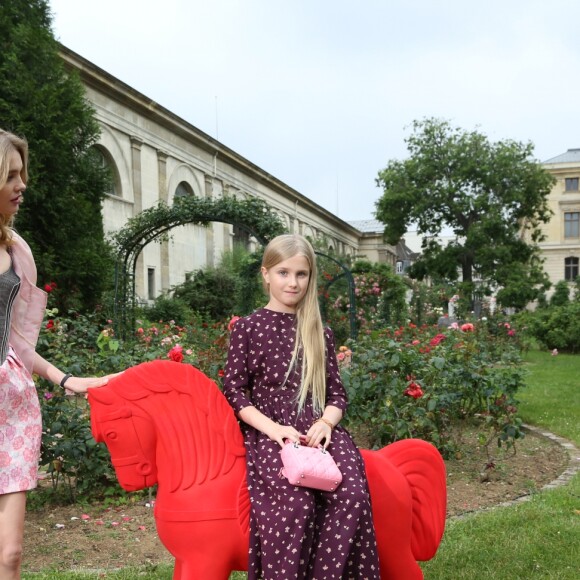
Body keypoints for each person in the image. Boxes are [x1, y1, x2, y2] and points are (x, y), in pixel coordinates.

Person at [223, 234, 380, 579]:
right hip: (270, 432)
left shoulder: (318, 331)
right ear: (265, 274)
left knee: (351, 495)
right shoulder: (248, 328)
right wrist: (274, 430)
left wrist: (326, 423)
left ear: (310, 277)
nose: (292, 282)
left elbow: (337, 394)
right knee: (296, 503)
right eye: (283, 272)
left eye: (301, 274)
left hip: (317, 431)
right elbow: (234, 393)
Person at [0, 129, 114, 579]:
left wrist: (65, 379)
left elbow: (18, 341)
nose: (22, 185)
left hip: (11, 407)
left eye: (23, 174)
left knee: (9, 555)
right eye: (11, 175)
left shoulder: (16, 251)